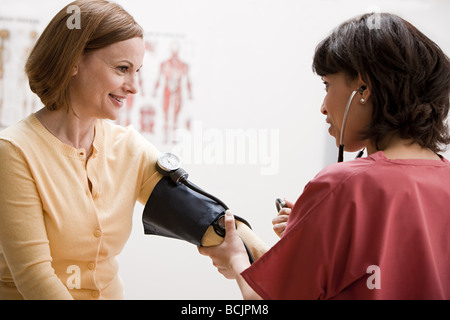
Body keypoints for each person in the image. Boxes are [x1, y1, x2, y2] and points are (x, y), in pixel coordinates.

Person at [199, 13, 450, 300]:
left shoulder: (342, 186)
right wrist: (318, 235)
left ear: (364, 88)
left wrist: (236, 257)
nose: (323, 107)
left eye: (327, 85)